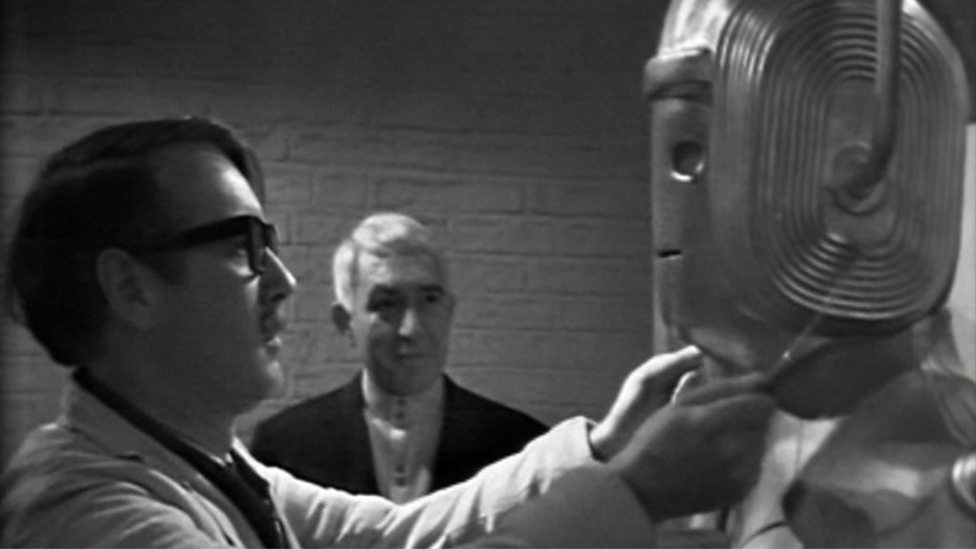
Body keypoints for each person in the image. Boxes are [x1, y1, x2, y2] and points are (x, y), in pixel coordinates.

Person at [0, 116, 775, 547]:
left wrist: (604, 444)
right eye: (242, 247)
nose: (284, 282)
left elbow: (404, 534)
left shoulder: (221, 468)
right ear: (130, 287)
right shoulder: (86, 513)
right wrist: (633, 491)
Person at [644, 0, 976, 545]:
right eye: (681, 157)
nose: (682, 198)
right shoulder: (706, 415)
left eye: (696, 155)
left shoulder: (935, 467)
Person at [251, 213, 547, 503]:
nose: (411, 329)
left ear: (449, 311)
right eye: (387, 304)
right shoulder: (284, 447)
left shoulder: (522, 449)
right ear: (345, 321)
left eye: (430, 300)